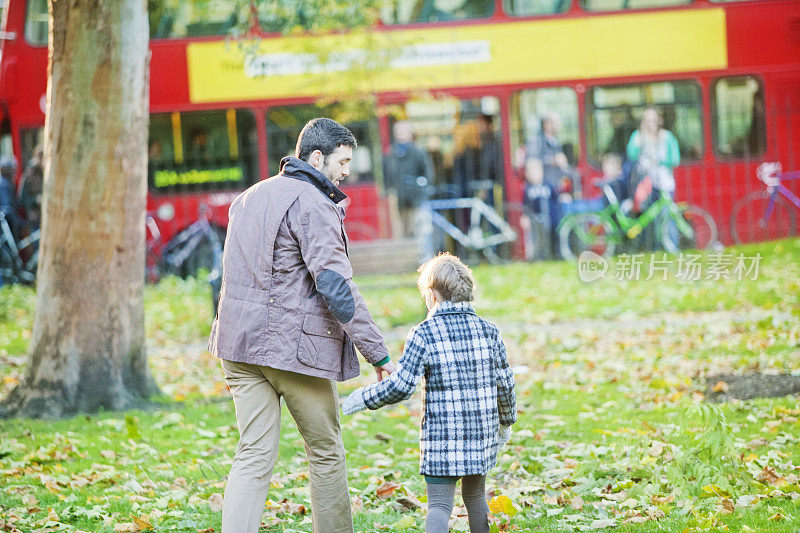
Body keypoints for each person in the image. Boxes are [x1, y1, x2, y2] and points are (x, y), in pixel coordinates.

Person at [208, 117, 396, 533]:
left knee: (253, 454)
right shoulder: (313, 203)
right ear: (316, 157)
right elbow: (335, 285)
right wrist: (378, 353)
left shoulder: (247, 197)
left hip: (237, 347)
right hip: (290, 352)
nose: (347, 171)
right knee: (326, 450)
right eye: (343, 161)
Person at [342, 252, 517, 533]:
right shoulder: (489, 331)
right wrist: (506, 422)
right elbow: (505, 382)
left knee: (439, 505)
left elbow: (401, 386)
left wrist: (363, 398)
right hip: (480, 432)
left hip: (442, 437)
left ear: (433, 295)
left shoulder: (423, 333)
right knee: (474, 497)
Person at [524, 111, 574, 256]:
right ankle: (547, 254)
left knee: (557, 222)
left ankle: (557, 253)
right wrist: (553, 160)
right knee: (544, 225)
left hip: (556, 190)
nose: (560, 125)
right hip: (543, 190)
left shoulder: (555, 141)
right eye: (556, 122)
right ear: (547, 124)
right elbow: (532, 162)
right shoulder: (536, 141)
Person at [382, 120, 434, 238]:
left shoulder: (419, 152)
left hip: (416, 201)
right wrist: (389, 193)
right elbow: (386, 177)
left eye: (404, 131)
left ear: (410, 133)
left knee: (418, 233)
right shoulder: (390, 154)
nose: (401, 134)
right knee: (400, 234)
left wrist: (421, 190)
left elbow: (428, 174)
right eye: (398, 131)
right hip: (397, 202)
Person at [18, 146, 43, 231]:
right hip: (35, 218)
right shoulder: (29, 175)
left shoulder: (46, 173)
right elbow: (21, 199)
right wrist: (36, 199)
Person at [0, 155, 19, 239]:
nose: (14, 173)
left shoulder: (6, 183)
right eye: (12, 170)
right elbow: (7, 206)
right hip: (7, 225)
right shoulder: (3, 184)